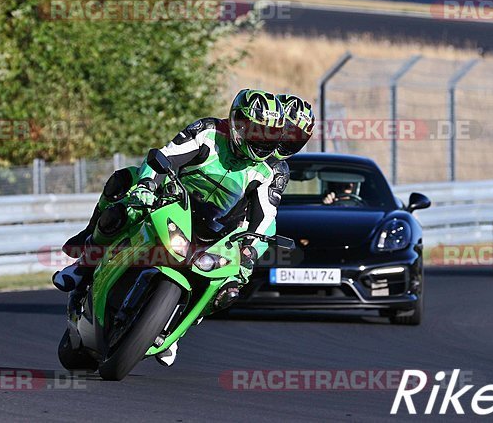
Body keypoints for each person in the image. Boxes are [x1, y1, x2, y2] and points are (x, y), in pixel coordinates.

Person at [53, 89, 315, 365]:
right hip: (176, 198)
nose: (262, 142)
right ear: (237, 122)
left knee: (230, 287)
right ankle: (85, 265)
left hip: (219, 225)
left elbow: (266, 215)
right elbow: (168, 154)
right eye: (256, 132)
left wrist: (249, 250)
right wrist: (147, 185)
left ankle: (176, 327)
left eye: (270, 136)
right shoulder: (210, 132)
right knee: (125, 195)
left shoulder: (273, 170)